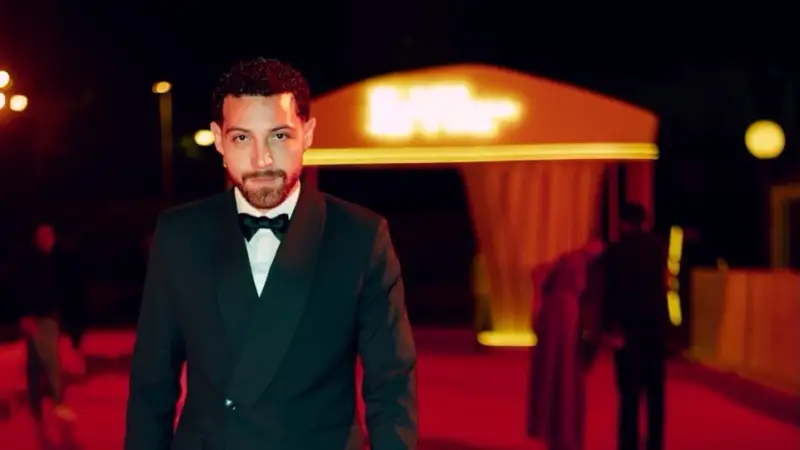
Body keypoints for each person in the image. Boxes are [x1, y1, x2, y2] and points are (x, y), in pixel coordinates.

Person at [124, 58, 418, 450]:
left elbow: (391, 383)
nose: (261, 159)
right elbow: (152, 383)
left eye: (279, 136)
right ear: (219, 140)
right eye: (242, 138)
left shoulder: (360, 236)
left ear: (307, 134)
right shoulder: (180, 234)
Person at [526, 239, 605, 450]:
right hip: (566, 324)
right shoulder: (569, 299)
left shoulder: (562, 271)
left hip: (556, 322)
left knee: (556, 380)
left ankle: (556, 433)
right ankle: (565, 435)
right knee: (566, 381)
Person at [603, 203, 668, 450]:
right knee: (655, 391)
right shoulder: (657, 247)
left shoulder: (616, 251)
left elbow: (611, 291)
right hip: (654, 327)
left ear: (623, 222)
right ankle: (655, 442)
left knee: (629, 392)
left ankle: (628, 442)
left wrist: (609, 325)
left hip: (627, 327)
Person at [15, 222, 77, 423]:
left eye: (49, 235)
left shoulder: (54, 261)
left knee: (37, 362)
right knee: (49, 362)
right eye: (42, 236)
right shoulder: (31, 262)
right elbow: (21, 289)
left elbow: (60, 291)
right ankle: (56, 402)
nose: (46, 239)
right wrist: (25, 315)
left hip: (49, 318)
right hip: (38, 318)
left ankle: (36, 406)